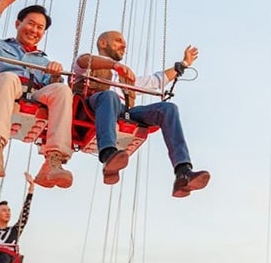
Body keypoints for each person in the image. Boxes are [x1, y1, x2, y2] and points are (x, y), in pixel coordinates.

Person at [73, 31, 210, 198]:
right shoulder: (88, 65)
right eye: (118, 41)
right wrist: (114, 66)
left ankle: (183, 172)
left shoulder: (127, 78)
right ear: (103, 43)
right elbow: (82, 61)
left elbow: (156, 80)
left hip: (125, 112)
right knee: (110, 96)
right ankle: (108, 154)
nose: (124, 46)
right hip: (95, 107)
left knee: (169, 108)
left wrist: (184, 64)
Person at [0, 0, 74, 188]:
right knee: (9, 78)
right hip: (4, 90)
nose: (34, 30)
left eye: (40, 28)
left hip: (33, 96)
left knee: (63, 91)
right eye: (31, 24)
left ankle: (53, 161)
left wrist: (55, 75)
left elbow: (51, 90)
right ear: (18, 23)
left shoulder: (42, 60)